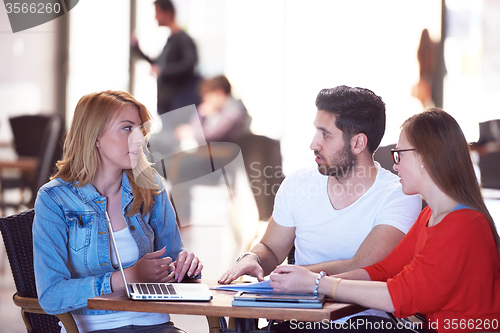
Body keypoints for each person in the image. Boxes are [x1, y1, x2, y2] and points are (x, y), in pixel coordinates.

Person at [270, 108, 500, 332]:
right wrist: (309, 281)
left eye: (399, 154)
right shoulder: (430, 217)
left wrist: (318, 284)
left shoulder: (463, 225)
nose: (395, 164)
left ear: (425, 157)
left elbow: (399, 296)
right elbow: (383, 270)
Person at [219, 86, 422, 322]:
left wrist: (296, 276)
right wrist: (253, 258)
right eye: (316, 132)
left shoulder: (399, 194)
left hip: (363, 322)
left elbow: (365, 266)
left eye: (325, 135)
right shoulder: (298, 183)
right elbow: (271, 248)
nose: (314, 144)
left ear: (358, 143)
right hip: (298, 321)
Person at [33, 91, 203, 333]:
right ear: (95, 137)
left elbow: (174, 259)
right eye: (127, 128)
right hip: (93, 327)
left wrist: (185, 265)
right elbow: (51, 295)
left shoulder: (151, 187)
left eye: (140, 129)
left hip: (155, 324)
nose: (139, 139)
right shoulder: (54, 199)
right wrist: (126, 277)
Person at [132, 0, 201, 116]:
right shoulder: (172, 40)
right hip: (168, 103)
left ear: (168, 13)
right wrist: (137, 49)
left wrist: (162, 71)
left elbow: (189, 64)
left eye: (157, 12)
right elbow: (159, 64)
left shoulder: (183, 40)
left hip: (178, 104)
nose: (155, 17)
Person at [175, 75, 252, 144]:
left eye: (208, 96)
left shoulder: (234, 112)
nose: (205, 100)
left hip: (235, 156)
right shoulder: (221, 111)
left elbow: (211, 136)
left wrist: (200, 116)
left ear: (219, 93)